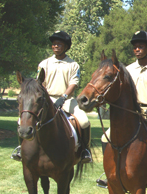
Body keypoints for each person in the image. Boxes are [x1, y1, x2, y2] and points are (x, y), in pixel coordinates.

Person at [97, 30, 147, 187]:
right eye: (135, 47)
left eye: (141, 46)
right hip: (131, 113)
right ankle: (108, 173)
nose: (137, 49)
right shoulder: (127, 70)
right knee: (106, 137)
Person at [11, 31, 92, 164]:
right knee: (21, 121)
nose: (55, 46)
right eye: (54, 44)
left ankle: (84, 150)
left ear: (66, 47)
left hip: (67, 100)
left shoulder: (73, 65)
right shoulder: (44, 63)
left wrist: (63, 97)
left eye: (59, 44)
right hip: (45, 99)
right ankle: (21, 148)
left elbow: (74, 83)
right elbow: (39, 83)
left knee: (84, 121)